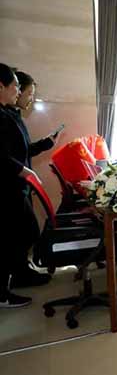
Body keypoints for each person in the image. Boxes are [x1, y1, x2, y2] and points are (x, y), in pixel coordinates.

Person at [0, 64, 57, 307]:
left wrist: (43, 145)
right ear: (2, 86)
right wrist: (23, 170)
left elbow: (20, 150)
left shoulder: (10, 115)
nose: (18, 91)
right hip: (7, 187)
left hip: (16, 185)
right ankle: (4, 291)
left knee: (22, 233)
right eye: (16, 86)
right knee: (20, 234)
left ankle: (19, 274)